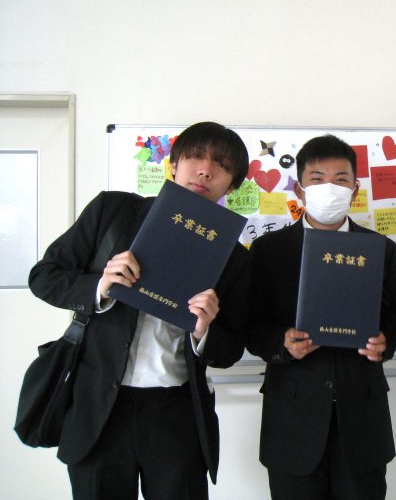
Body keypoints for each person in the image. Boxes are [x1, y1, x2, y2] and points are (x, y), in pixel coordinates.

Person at [28, 121, 252, 499]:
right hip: (99, 408)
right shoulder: (113, 211)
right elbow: (44, 276)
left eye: (222, 165)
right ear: (173, 165)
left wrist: (204, 330)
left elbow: (230, 349)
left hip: (176, 413)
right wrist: (100, 285)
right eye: (196, 157)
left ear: (232, 185)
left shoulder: (233, 257)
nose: (205, 170)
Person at [246, 134, 396, 500]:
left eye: (340, 179)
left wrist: (385, 342)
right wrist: (282, 344)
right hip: (292, 419)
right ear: (299, 189)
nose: (329, 188)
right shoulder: (269, 250)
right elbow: (251, 326)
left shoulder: (379, 248)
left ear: (355, 189)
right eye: (317, 179)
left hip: (362, 416)